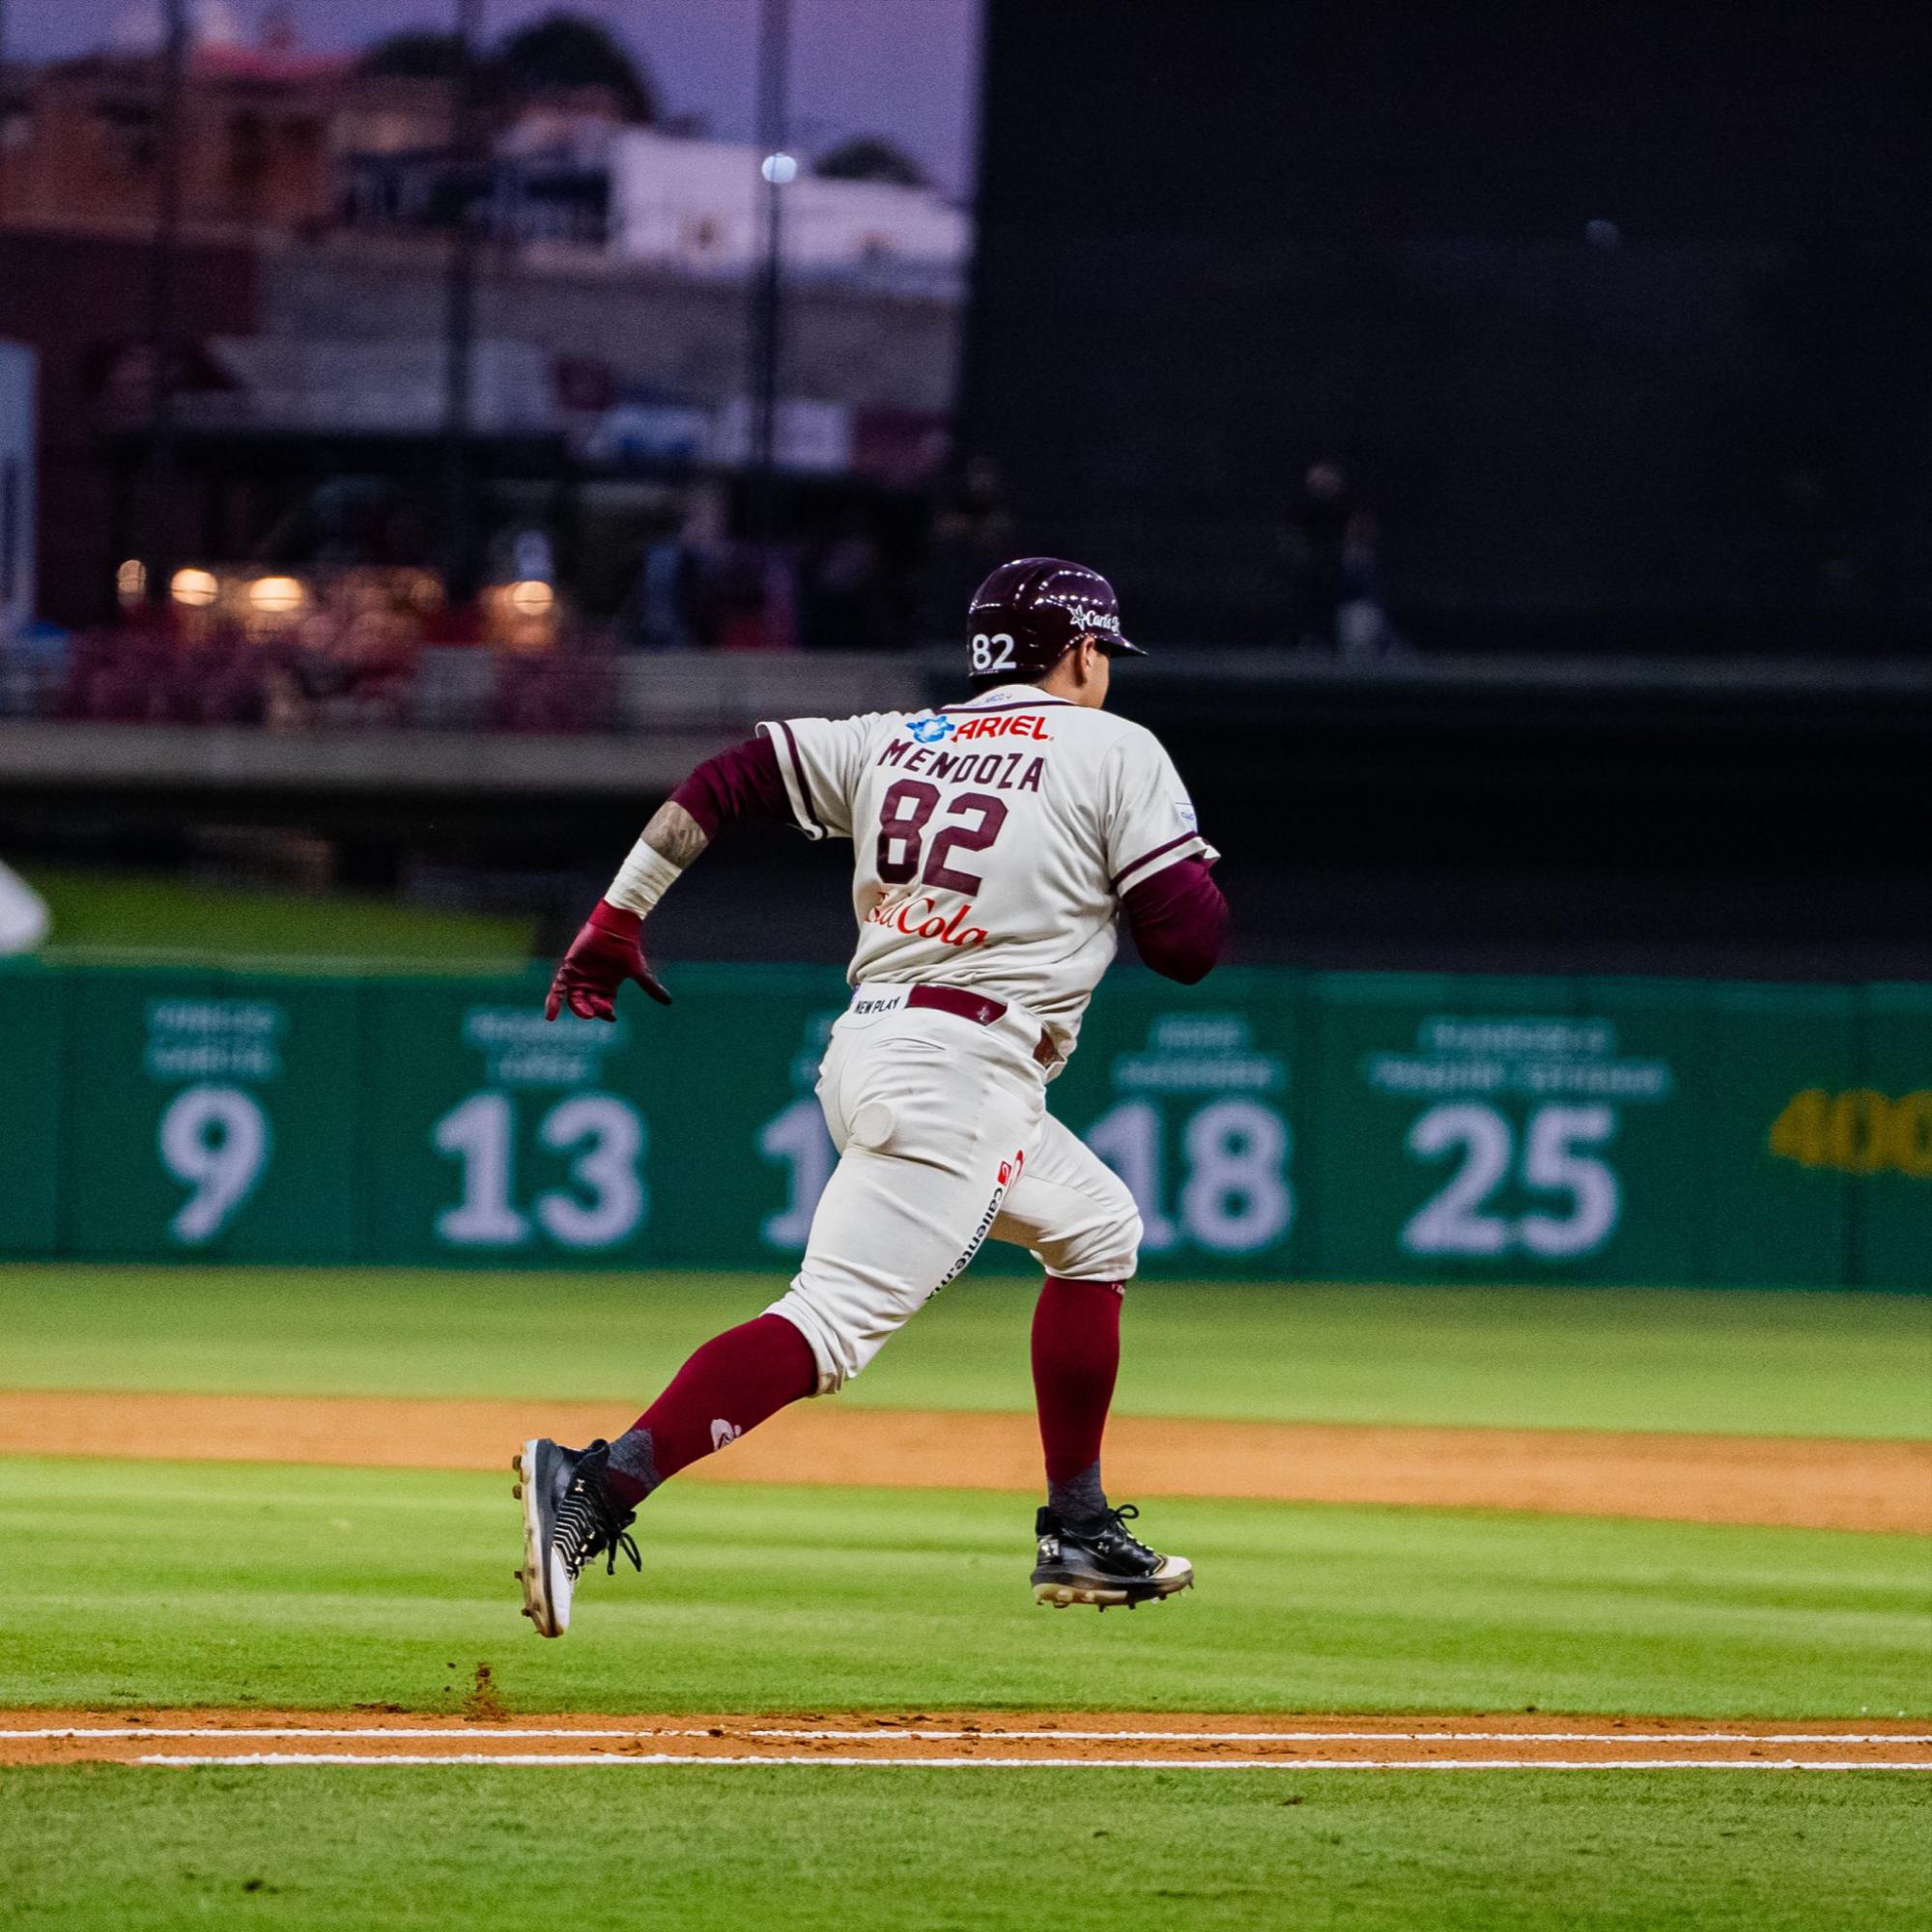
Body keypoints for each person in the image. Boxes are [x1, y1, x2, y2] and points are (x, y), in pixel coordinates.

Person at [516, 557, 1230, 1637]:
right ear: (1082, 652)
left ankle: (1076, 1524)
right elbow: (1185, 946)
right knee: (829, 1324)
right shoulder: (1114, 748)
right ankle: (594, 1486)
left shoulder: (901, 736)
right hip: (962, 1068)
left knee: (1094, 1226)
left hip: (880, 1043)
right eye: (1103, 658)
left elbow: (729, 774)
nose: (1107, 674)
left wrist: (619, 913)